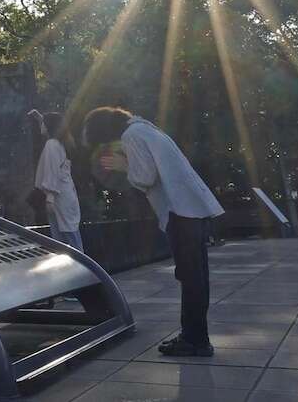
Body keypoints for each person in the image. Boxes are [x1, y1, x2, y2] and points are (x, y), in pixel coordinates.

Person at [82, 106, 225, 357]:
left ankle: (195, 340)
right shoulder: (145, 128)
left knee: (190, 278)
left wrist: (123, 165)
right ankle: (194, 335)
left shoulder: (131, 136)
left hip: (180, 210)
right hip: (192, 208)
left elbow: (145, 177)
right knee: (196, 278)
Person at [30, 110, 83, 251]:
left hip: (59, 197)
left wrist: (50, 198)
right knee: (69, 234)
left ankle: (82, 269)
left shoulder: (51, 144)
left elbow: (52, 172)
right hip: (65, 195)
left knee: (65, 238)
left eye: (43, 123)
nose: (41, 126)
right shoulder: (60, 143)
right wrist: (42, 118)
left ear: (48, 126)